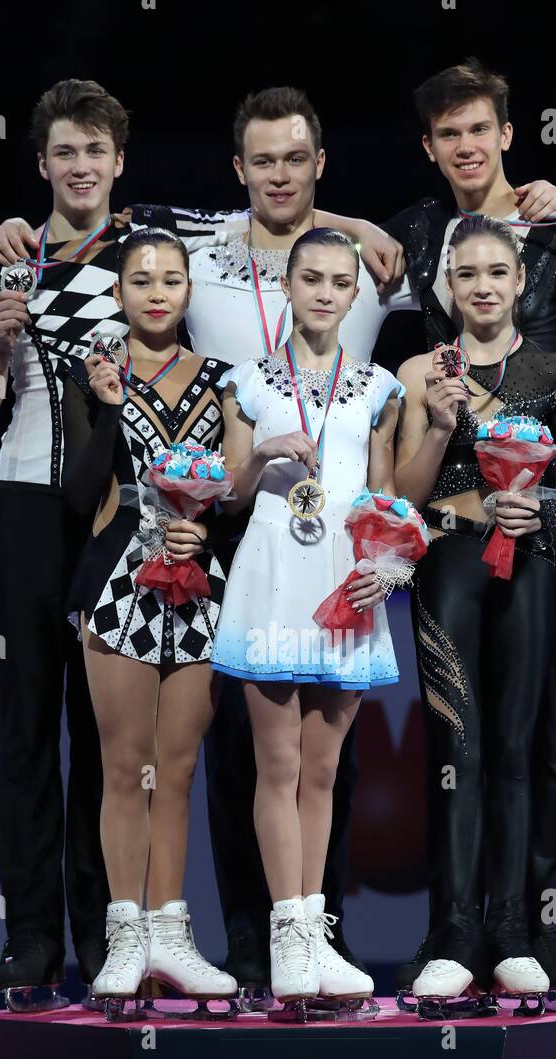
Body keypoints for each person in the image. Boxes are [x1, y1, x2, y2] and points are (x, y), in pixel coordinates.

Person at [0, 84, 556, 1003]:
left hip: (333, 575)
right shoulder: (225, 339)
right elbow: (189, 462)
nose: (279, 175)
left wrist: (548, 219)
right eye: (263, 161)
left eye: (297, 160)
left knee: (310, 764)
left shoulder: (369, 339)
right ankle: (192, 941)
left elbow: (395, 480)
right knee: (183, 759)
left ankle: (306, 930)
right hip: (224, 561)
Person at [0, 79, 253, 1010]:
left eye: (97, 152)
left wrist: (362, 231)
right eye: (64, 153)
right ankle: (32, 941)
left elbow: (263, 219)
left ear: (120, 163)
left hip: (120, 515)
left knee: (112, 737)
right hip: (22, 510)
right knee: (27, 731)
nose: (81, 168)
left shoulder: (153, 245)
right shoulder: (7, 260)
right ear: (41, 163)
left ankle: (107, 932)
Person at [386, 59, 556, 991]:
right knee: (454, 739)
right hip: (449, 516)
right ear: (430, 147)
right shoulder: (414, 233)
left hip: (544, 522)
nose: (465, 147)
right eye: (447, 134)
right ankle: (453, 931)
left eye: (479, 130)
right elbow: (311, 257)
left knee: (548, 737)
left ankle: (548, 930)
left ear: (506, 135)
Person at [395, 215, 556, 1010]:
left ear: (519, 282)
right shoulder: (422, 373)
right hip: (447, 567)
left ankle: (511, 929)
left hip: (529, 569)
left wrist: (542, 507)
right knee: (457, 749)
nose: (481, 287)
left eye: (495, 274)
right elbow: (402, 496)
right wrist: (440, 422)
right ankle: (453, 930)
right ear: (449, 286)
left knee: (515, 748)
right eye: (466, 275)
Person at [214, 229, 406, 1015]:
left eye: (339, 282)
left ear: (356, 295)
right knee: (278, 764)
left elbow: (386, 498)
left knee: (325, 771)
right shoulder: (248, 383)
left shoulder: (379, 388)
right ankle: (284, 937)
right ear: (287, 287)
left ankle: (312, 932)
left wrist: (388, 565)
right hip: (271, 571)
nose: (325, 293)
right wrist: (264, 457)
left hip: (343, 581)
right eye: (311, 279)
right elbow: (226, 492)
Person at [61, 227, 236, 1012]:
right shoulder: (94, 373)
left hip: (200, 583)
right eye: (140, 279)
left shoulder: (225, 381)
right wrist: (103, 409)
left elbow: (233, 494)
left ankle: (172, 933)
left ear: (190, 291)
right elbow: (78, 495)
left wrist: (209, 528)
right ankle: (123, 936)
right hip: (118, 582)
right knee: (123, 764)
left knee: (180, 766)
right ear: (120, 292)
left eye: (171, 278)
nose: (157, 290)